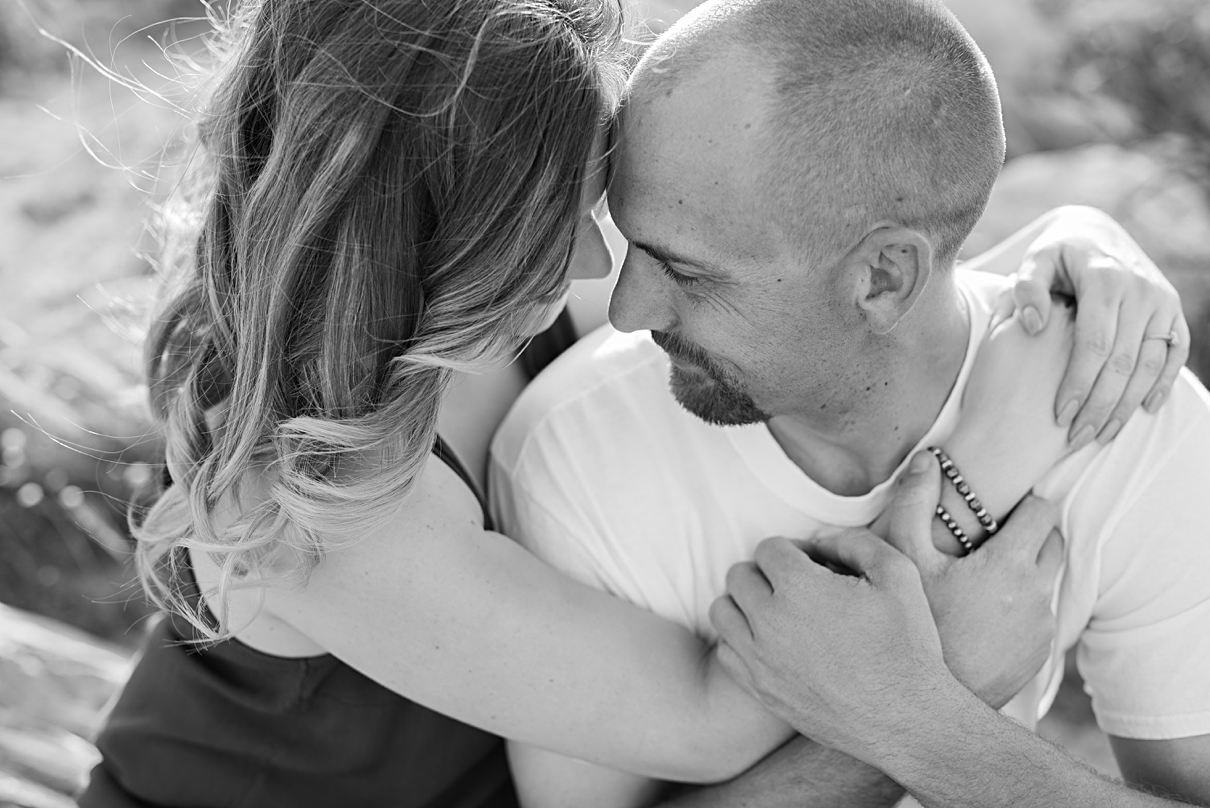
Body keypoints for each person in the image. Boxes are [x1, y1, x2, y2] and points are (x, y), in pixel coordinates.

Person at [79, 0, 1189, 806]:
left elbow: (842, 286)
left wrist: (1070, 247)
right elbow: (710, 715)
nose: (598, 266)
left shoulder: (452, 313)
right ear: (430, 227)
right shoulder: (311, 497)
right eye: (552, 218)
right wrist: (982, 480)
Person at [490, 0, 1210, 806]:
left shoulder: (1117, 400)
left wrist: (919, 722)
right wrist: (940, 691)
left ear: (884, 278)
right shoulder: (574, 454)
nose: (627, 312)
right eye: (633, 244)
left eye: (688, 272)